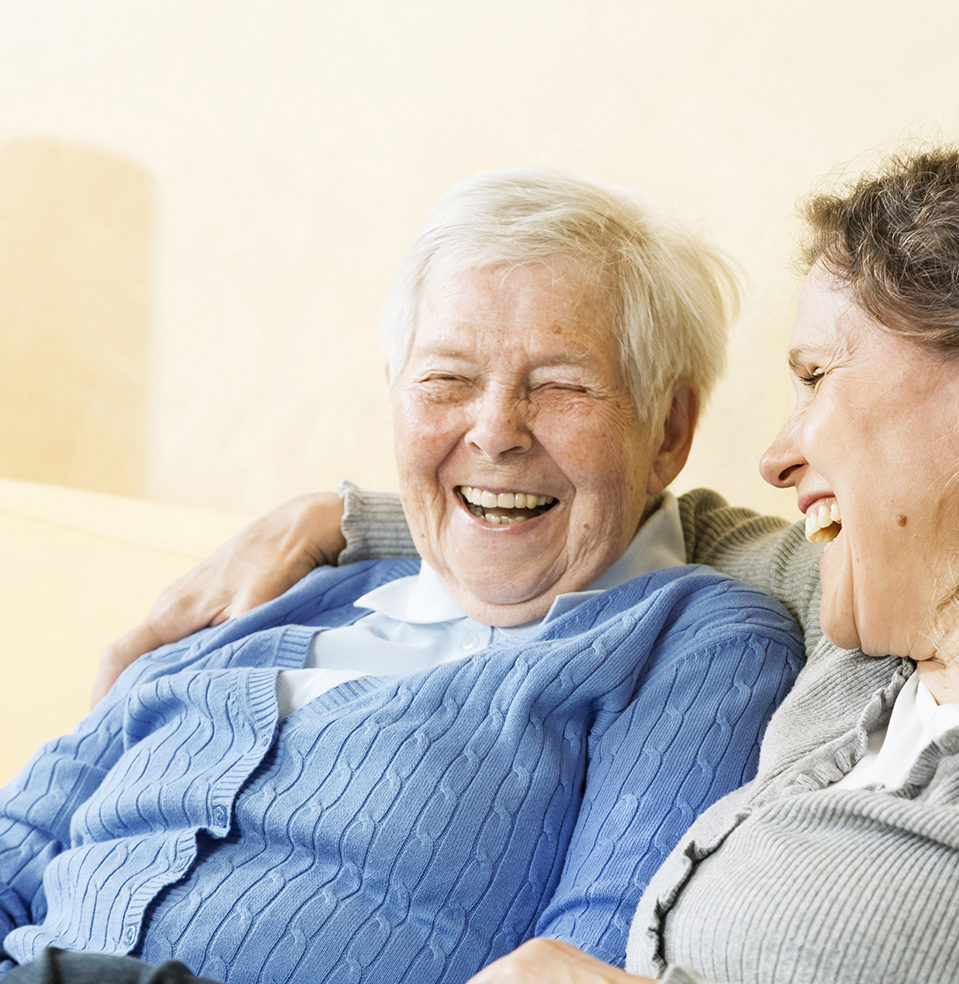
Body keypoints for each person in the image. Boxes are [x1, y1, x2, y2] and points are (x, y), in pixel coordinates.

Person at [96, 140, 959, 982]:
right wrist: (349, 516)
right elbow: (611, 509)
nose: (780, 453)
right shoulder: (865, 661)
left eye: (817, 378)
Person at [0, 170, 804, 983]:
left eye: (560, 386)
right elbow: (18, 846)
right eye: (446, 380)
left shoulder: (696, 643)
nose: (494, 432)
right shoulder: (280, 592)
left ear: (668, 429)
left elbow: (590, 957)